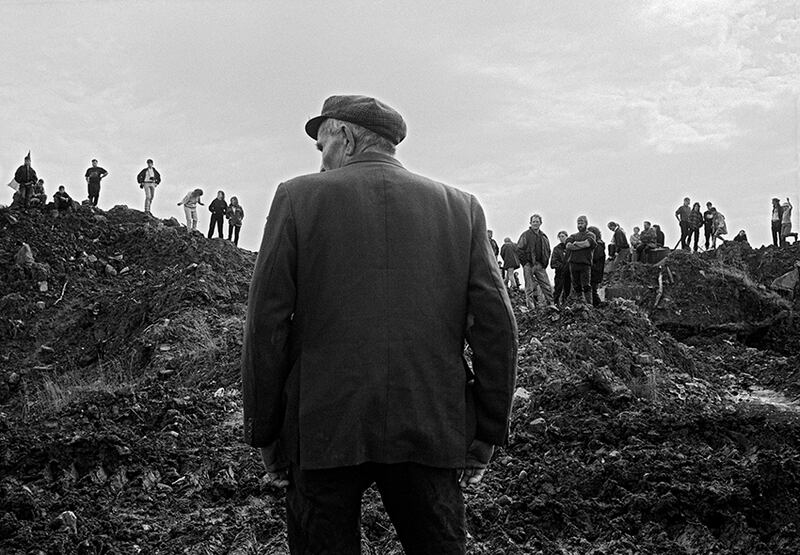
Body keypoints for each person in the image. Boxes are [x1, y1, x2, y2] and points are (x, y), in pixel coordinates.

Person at [242, 95, 517, 554]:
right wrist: (488, 430)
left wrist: (265, 430)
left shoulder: (297, 197)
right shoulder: (461, 208)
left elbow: (265, 325)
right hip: (429, 422)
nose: (322, 158)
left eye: (322, 144)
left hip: (322, 426)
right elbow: (497, 329)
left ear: (345, 137)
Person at [517, 214, 553, 309]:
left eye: (537, 221)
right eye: (533, 221)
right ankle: (531, 307)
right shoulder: (525, 235)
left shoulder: (544, 236)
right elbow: (519, 249)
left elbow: (548, 250)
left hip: (540, 265)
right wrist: (525, 263)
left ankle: (551, 305)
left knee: (546, 286)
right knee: (529, 288)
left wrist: (544, 263)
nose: (535, 223)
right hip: (529, 265)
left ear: (540, 223)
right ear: (530, 223)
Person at [565, 216, 596, 304]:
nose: (580, 225)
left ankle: (589, 304)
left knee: (586, 286)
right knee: (576, 286)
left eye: (582, 223)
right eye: (578, 223)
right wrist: (579, 246)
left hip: (585, 264)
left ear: (586, 223)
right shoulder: (573, 236)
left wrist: (576, 244)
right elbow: (568, 246)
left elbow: (587, 244)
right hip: (573, 263)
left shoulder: (590, 235)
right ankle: (579, 304)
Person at [550, 230, 571, 305]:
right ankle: (555, 304)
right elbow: (553, 262)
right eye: (560, 237)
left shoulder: (570, 247)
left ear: (566, 236)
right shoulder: (557, 249)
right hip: (560, 273)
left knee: (568, 290)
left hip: (569, 274)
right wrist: (562, 267)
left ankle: (566, 304)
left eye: (563, 236)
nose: (561, 238)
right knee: (558, 290)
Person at [588, 226, 606, 307]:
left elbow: (595, 258)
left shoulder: (598, 246)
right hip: (595, 271)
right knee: (592, 290)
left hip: (595, 271)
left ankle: (599, 306)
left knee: (592, 291)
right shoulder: (598, 245)